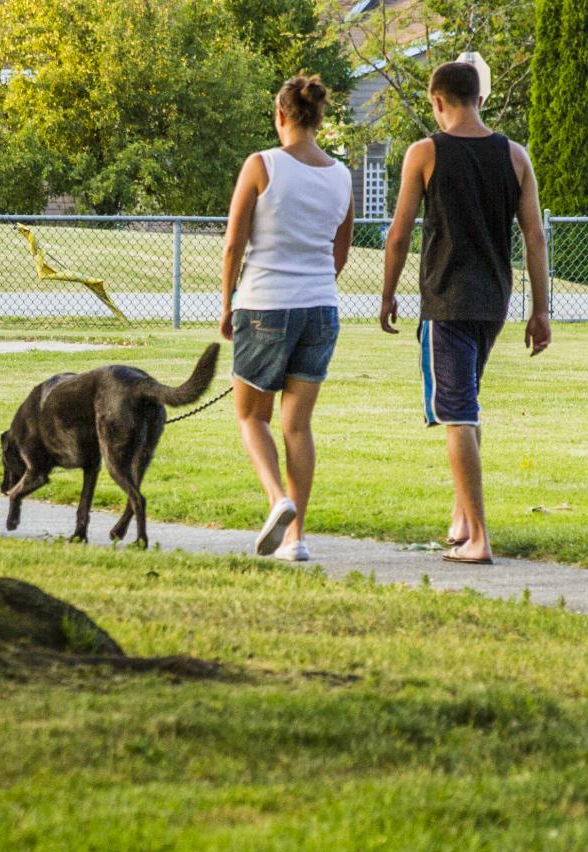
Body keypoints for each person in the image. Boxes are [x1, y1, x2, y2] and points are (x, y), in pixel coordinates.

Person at [378, 60, 551, 566]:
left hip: (446, 300)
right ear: (479, 98)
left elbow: (399, 233)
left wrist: (387, 295)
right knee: (466, 406)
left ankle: (478, 537)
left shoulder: (425, 152)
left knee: (456, 414)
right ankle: (460, 518)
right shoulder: (515, 156)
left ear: (436, 101)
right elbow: (535, 237)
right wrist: (540, 310)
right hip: (493, 301)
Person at [219, 75, 354, 562]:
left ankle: (278, 500)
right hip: (321, 307)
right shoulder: (342, 175)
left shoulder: (261, 165)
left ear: (281, 116)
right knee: (297, 426)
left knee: (251, 416)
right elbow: (341, 252)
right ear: (318, 119)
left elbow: (234, 242)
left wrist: (226, 303)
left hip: (265, 303)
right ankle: (297, 541)